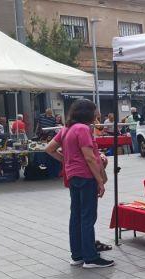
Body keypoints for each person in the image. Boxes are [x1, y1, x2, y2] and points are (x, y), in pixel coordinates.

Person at [45, 99, 114, 268]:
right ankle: (90, 257)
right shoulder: (82, 129)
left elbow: (49, 148)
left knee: (76, 216)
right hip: (86, 176)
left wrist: (67, 161)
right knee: (87, 217)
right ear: (88, 113)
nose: (97, 114)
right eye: (95, 111)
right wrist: (100, 181)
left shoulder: (66, 129)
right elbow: (89, 157)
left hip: (73, 176)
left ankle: (77, 255)